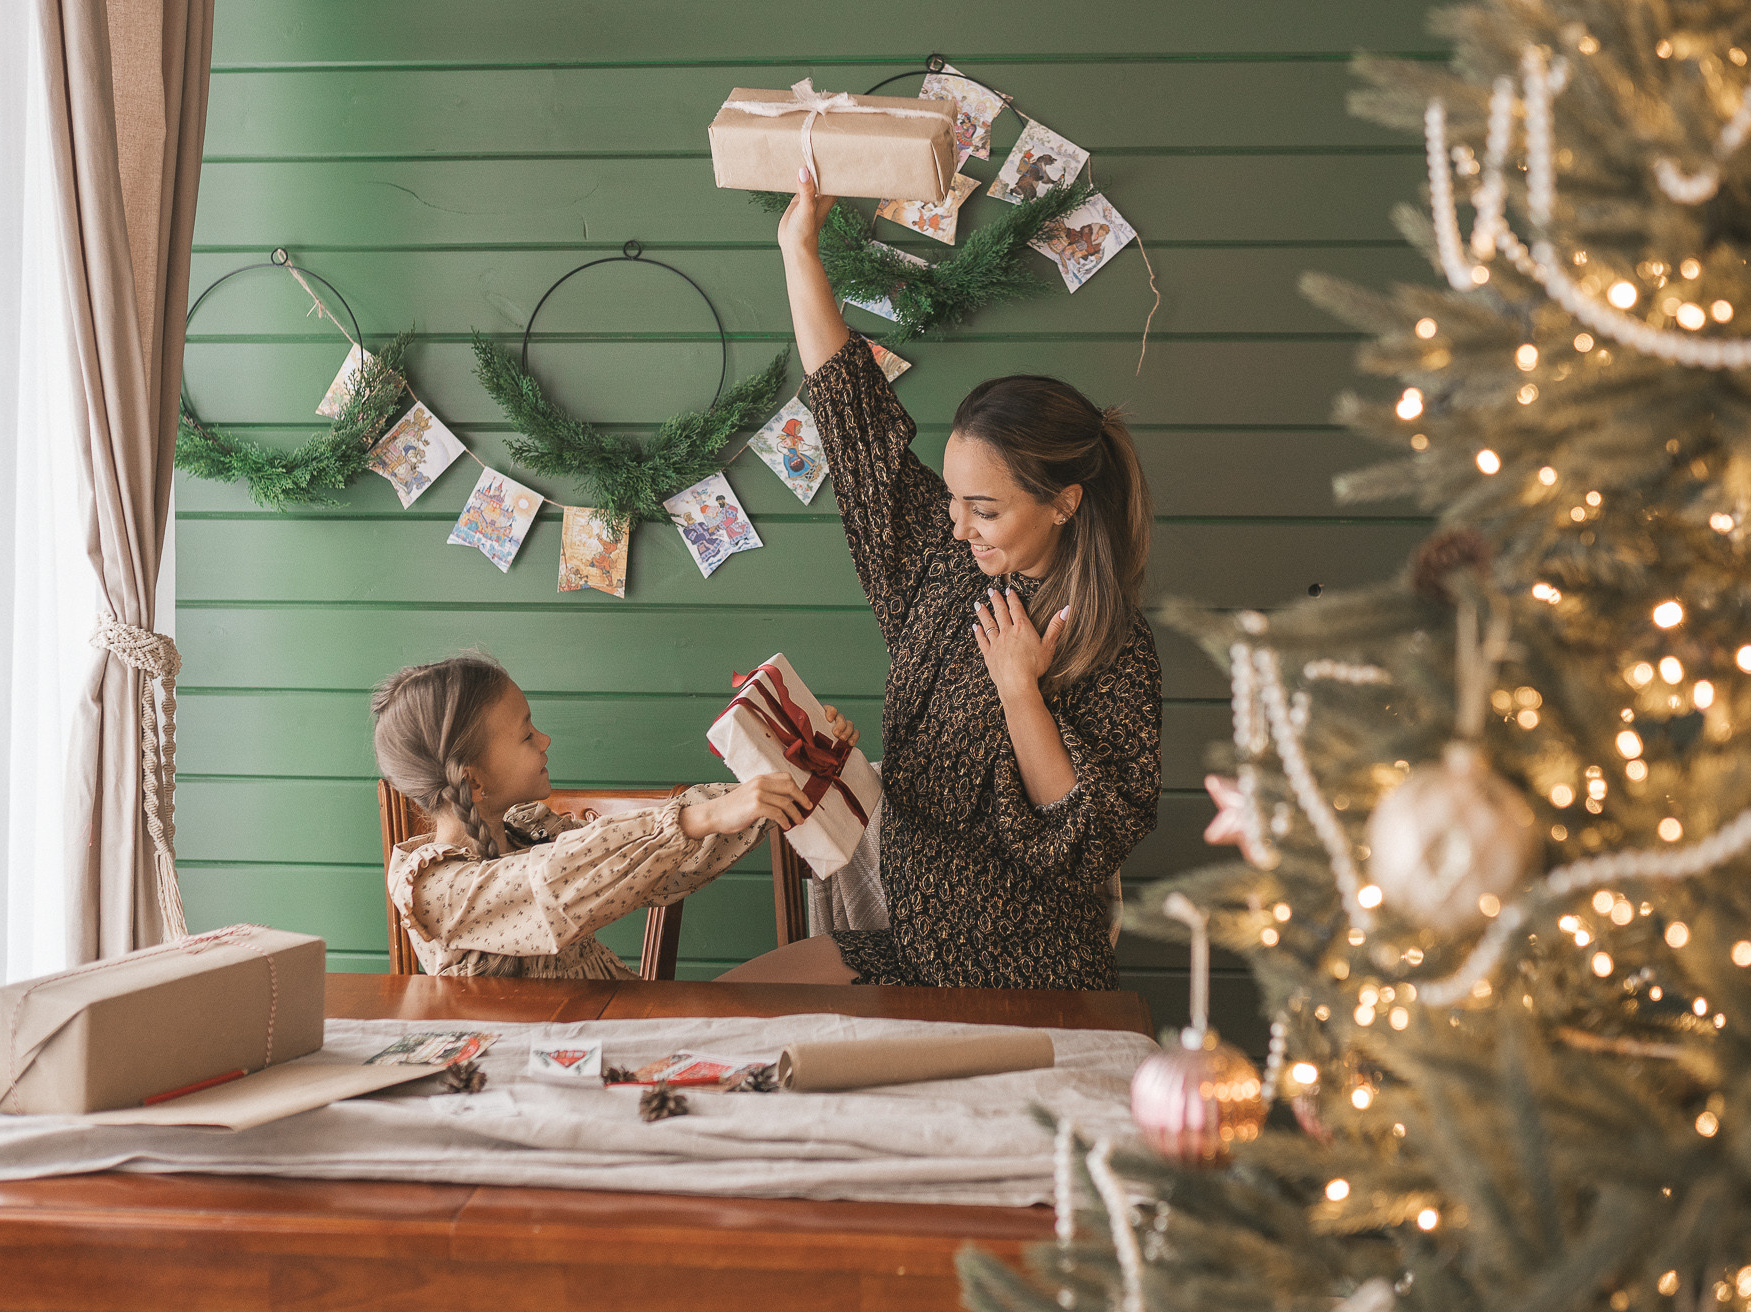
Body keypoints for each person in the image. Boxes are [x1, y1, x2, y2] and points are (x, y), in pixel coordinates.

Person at [719, 168, 1162, 990]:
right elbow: (854, 423)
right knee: (730, 1001)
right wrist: (798, 250)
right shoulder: (946, 565)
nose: (958, 526)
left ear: (1063, 504)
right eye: (954, 499)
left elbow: (1088, 838)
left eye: (984, 510)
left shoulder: (1112, 645)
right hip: (911, 937)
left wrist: (1021, 690)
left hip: (1025, 968)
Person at [373, 652, 856, 978]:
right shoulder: (432, 891)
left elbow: (650, 866)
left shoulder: (534, 830)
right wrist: (698, 819)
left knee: (842, 956)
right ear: (473, 780)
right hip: (552, 1075)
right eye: (526, 735)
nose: (544, 740)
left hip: (620, 1023)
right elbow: (553, 880)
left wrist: (795, 768)